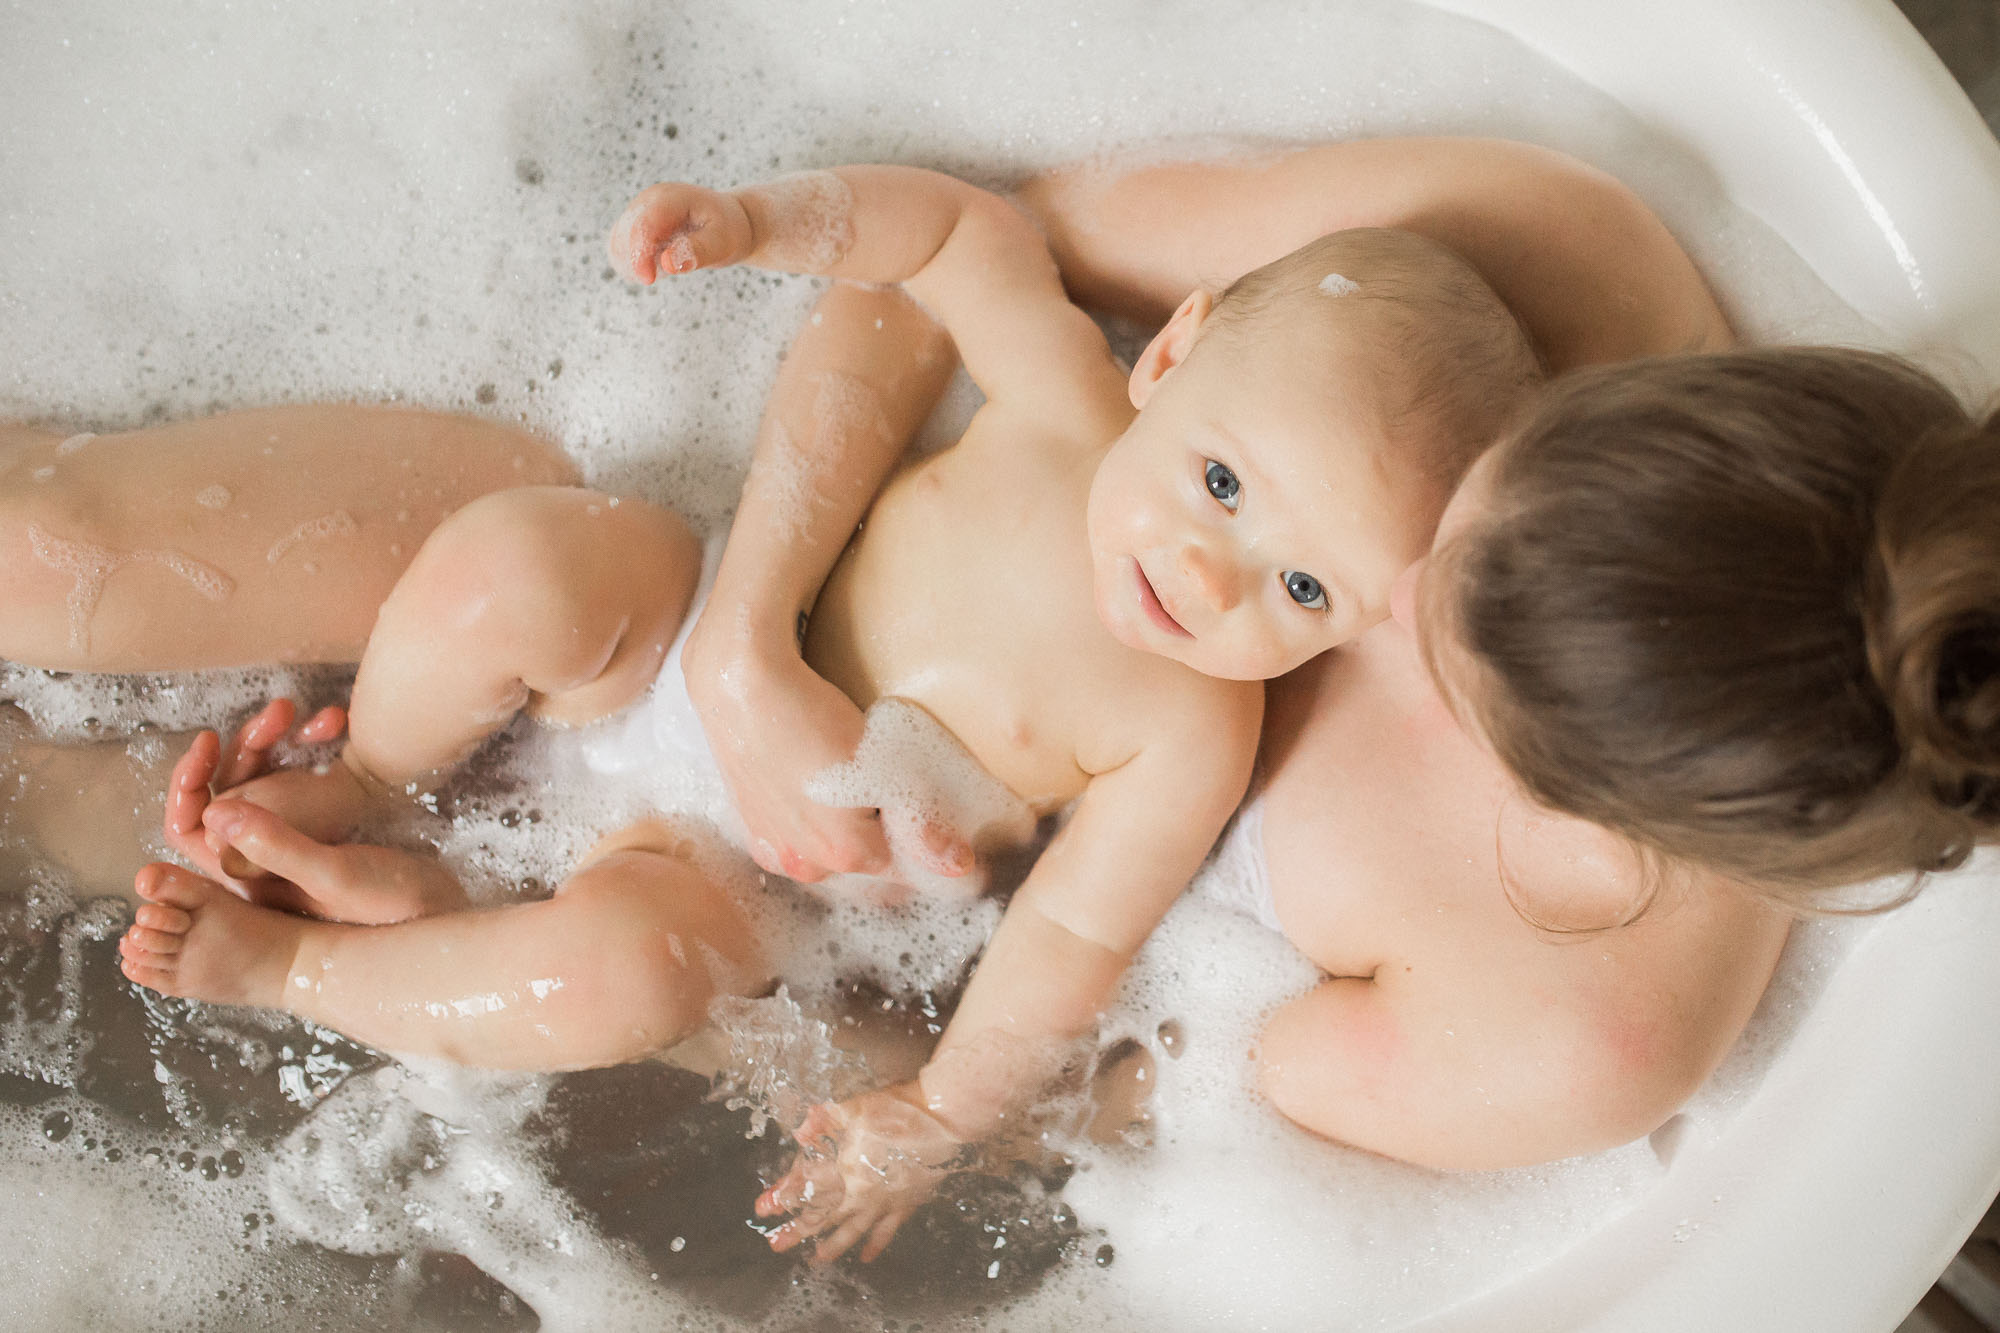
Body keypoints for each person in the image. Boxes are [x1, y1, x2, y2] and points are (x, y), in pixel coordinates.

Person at [106, 157, 1542, 1264]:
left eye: (1300, 583)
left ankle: (295, 970)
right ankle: (366, 773)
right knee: (523, 563)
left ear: (1370, 621)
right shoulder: (1068, 404)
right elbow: (958, 236)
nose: (1209, 574)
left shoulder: (1194, 734)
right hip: (674, 634)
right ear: (1169, 356)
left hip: (738, 865)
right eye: (1222, 484)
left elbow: (1069, 942)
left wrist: (941, 1113)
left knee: (616, 981)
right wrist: (760, 221)